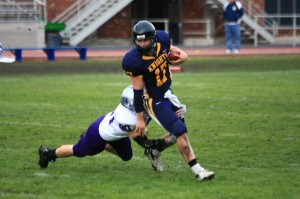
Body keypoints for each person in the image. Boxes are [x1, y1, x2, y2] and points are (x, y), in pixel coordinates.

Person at [122, 20, 215, 181]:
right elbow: (137, 91)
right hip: (153, 99)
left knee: (175, 135)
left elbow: (172, 50)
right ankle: (198, 172)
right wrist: (139, 118)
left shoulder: (162, 39)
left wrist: (184, 56)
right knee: (180, 131)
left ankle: (154, 150)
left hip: (168, 93)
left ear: (153, 37)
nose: (143, 44)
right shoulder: (132, 60)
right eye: (139, 40)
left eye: (146, 40)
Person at [38, 86, 180, 169]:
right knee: (79, 151)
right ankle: (49, 153)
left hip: (115, 132)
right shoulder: (128, 119)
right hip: (98, 132)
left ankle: (104, 145)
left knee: (127, 156)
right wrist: (163, 142)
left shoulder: (132, 110)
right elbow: (145, 143)